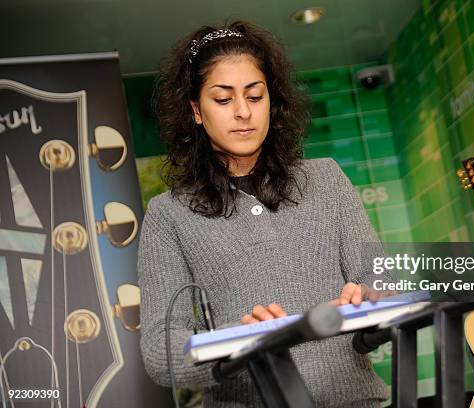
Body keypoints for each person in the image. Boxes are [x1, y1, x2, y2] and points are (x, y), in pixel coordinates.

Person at [138, 20, 389, 407]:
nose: (243, 112)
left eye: (255, 97)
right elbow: (159, 350)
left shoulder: (326, 179)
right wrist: (236, 341)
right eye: (223, 100)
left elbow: (380, 279)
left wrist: (371, 298)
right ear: (196, 111)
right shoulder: (168, 214)